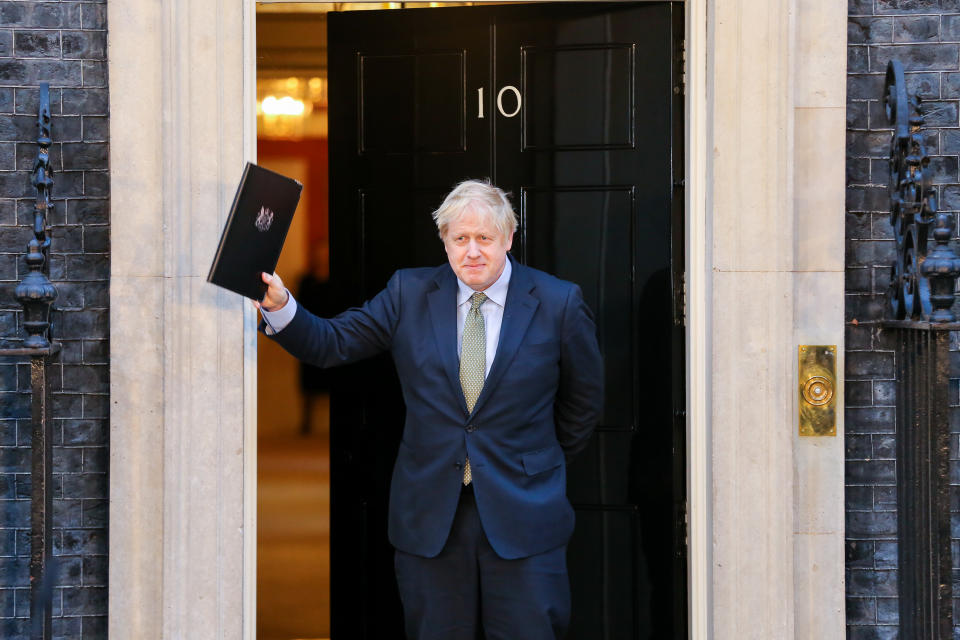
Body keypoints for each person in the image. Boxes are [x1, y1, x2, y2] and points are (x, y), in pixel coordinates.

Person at [254, 179, 603, 640]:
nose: (472, 251)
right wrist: (281, 307)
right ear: (445, 241)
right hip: (431, 518)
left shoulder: (558, 302)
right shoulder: (408, 293)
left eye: (484, 238)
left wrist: (536, 459)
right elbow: (332, 343)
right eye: (460, 239)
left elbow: (584, 400)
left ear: (508, 238)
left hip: (526, 514)